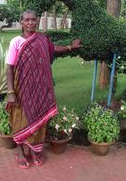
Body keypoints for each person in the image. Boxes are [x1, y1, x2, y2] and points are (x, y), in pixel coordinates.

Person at [6, 9, 82, 169]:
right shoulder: (16, 42)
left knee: (38, 121)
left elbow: (53, 49)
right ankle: (20, 152)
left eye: (33, 20)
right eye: (27, 20)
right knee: (19, 120)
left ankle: (34, 151)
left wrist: (70, 47)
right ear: (21, 22)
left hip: (39, 89)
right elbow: (9, 68)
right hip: (21, 89)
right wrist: (11, 91)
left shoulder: (42, 39)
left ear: (37, 21)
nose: (30, 23)